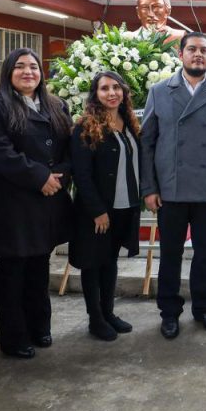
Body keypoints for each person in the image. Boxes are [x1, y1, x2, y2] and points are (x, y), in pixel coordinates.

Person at [140, 31, 206, 339]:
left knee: (205, 255)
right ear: (181, 55)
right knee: (170, 254)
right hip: (170, 189)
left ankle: (204, 309)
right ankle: (169, 312)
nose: (198, 54)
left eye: (204, 50)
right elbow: (147, 143)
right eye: (192, 49)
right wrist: (149, 187)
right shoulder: (159, 91)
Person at [0, 47, 74, 359]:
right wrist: (39, 177)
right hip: (12, 204)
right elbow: (0, 151)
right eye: (20, 67)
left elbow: (69, 148)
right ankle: (13, 336)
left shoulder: (56, 104)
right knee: (12, 271)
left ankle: (39, 326)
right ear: (8, 71)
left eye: (33, 66)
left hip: (47, 201)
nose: (28, 72)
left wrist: (60, 176)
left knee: (39, 267)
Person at [70, 71, 144, 341]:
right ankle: (96, 319)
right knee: (93, 263)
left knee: (110, 262)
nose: (111, 93)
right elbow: (82, 174)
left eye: (116, 87)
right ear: (95, 94)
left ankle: (109, 312)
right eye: (104, 88)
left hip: (125, 206)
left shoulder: (129, 124)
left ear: (123, 92)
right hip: (99, 210)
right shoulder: (86, 126)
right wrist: (97, 211)